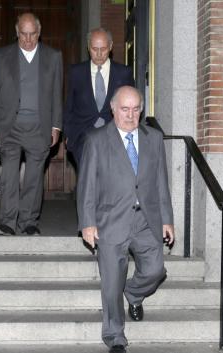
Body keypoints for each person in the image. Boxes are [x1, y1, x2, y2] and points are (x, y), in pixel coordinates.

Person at [77, 86, 174, 353]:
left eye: (135, 109)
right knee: (110, 284)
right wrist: (87, 222)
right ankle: (114, 336)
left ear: (141, 110)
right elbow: (87, 184)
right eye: (124, 109)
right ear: (113, 109)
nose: (130, 115)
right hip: (110, 220)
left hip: (146, 220)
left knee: (155, 270)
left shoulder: (153, 138)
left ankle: (133, 293)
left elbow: (160, 182)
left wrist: (167, 218)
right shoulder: (96, 139)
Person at [0, 12, 63, 236]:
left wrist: (55, 127)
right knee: (9, 176)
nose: (28, 40)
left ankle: (29, 222)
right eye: (23, 35)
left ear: (39, 33)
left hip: (40, 127)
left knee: (34, 178)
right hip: (9, 127)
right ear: (17, 33)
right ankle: (7, 222)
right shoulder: (1, 55)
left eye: (32, 34)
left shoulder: (53, 56)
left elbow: (57, 94)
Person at [63, 28, 135, 169]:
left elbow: (132, 106)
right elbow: (69, 106)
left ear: (111, 46)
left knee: (111, 183)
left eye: (103, 49)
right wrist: (69, 134)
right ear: (88, 47)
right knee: (88, 183)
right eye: (95, 49)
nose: (99, 54)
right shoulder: (76, 72)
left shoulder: (123, 73)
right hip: (83, 138)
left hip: (115, 137)